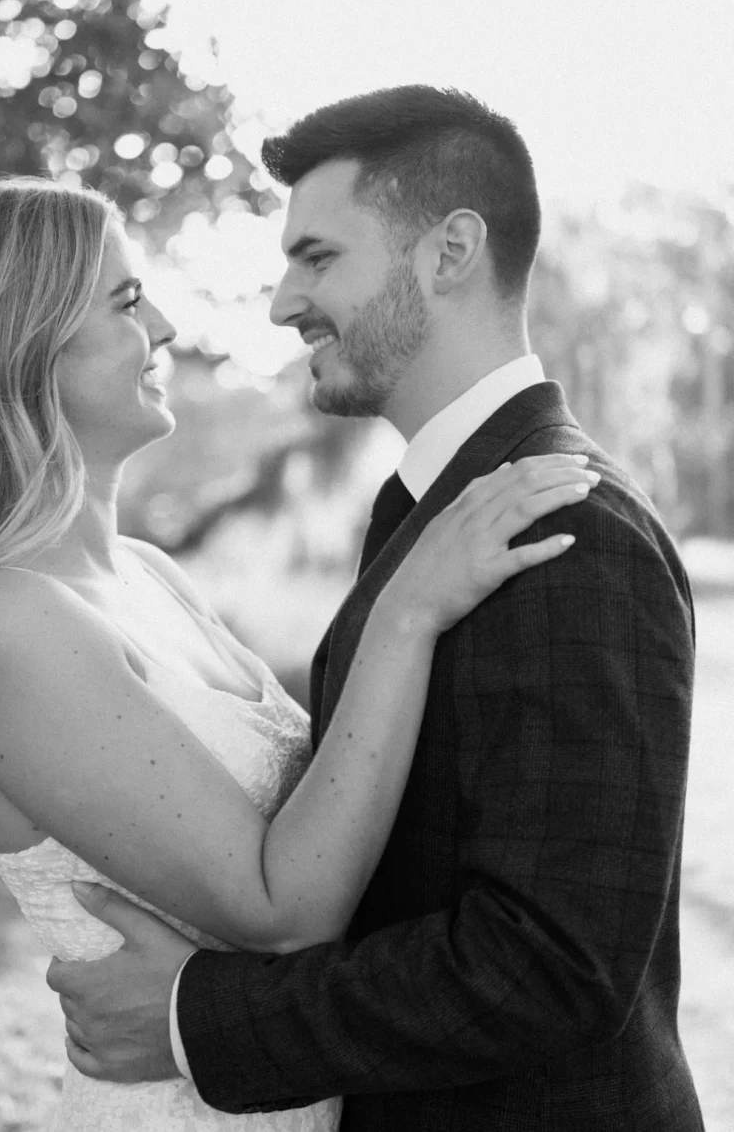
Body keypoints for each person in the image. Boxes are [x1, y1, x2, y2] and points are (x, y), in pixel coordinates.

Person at [0, 174, 595, 1132]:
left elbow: (337, 815)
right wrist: (407, 612)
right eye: (128, 300)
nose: (170, 327)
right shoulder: (6, 627)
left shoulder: (148, 575)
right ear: (24, 348)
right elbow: (285, 908)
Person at [45, 87, 704, 1131]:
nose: (278, 303)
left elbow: (553, 965)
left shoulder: (568, 533)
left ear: (447, 253)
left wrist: (196, 1019)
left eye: (317, 257)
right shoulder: (433, 510)